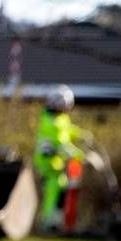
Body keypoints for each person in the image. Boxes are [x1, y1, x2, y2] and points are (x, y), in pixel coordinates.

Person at [33, 85, 88, 232]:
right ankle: (48, 223)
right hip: (48, 163)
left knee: (62, 188)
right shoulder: (51, 123)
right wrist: (79, 155)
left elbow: (67, 130)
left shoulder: (60, 118)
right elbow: (62, 145)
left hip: (56, 163)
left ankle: (55, 221)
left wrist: (80, 134)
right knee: (53, 190)